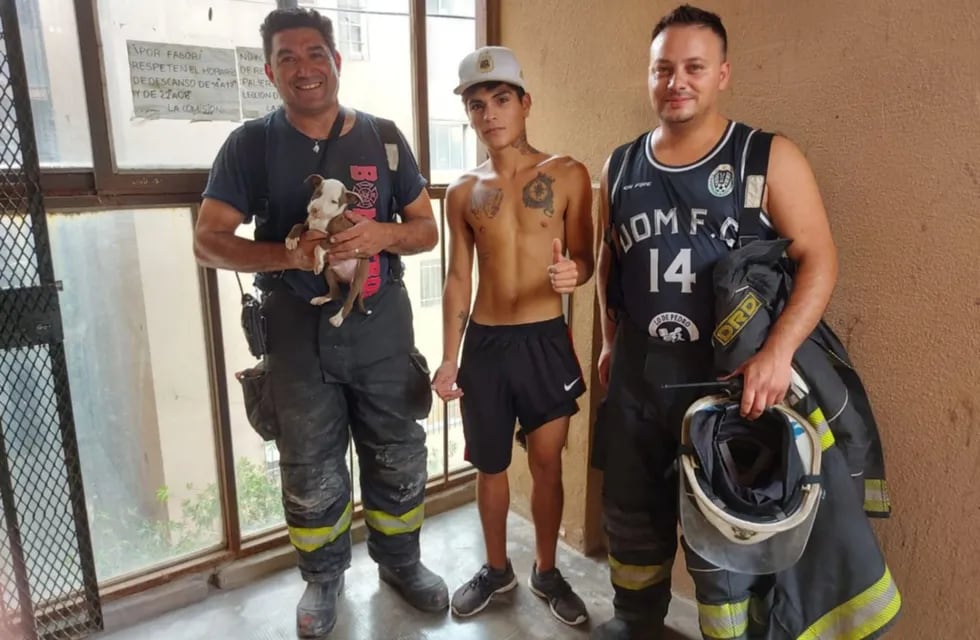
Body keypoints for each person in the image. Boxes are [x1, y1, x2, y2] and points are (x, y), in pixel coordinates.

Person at [591, 5, 898, 639]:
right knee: (632, 522)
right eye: (663, 68)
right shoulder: (618, 165)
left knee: (726, 555)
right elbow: (609, 261)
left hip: (727, 389)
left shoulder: (767, 157)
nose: (677, 81)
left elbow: (820, 257)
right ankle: (634, 623)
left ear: (723, 74)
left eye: (694, 67)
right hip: (637, 385)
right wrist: (607, 341)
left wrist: (780, 352)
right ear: (648, 77)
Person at [193, 8, 448, 637]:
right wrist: (287, 253)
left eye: (316, 53)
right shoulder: (250, 145)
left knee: (397, 452)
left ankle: (402, 562)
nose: (304, 68)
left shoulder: (385, 138)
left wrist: (383, 232)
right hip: (294, 331)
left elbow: (426, 230)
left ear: (337, 60)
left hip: (381, 323)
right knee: (310, 464)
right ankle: (323, 577)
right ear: (270, 71)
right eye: (288, 57)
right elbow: (209, 241)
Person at [430, 46, 594, 626]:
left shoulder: (569, 173)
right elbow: (457, 277)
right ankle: (497, 570)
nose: (490, 113)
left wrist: (576, 273)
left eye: (501, 99)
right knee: (490, 464)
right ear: (469, 116)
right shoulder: (461, 192)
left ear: (525, 103)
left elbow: (585, 256)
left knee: (548, 462)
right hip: (487, 347)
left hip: (545, 341)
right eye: (477, 105)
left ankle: (546, 570)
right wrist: (449, 359)